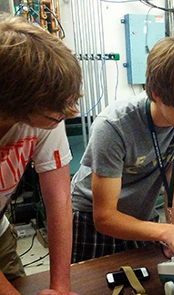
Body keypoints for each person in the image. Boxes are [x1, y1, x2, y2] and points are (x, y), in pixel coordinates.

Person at [71, 32, 174, 263]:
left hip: (142, 216)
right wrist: (165, 231)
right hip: (92, 219)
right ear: (157, 95)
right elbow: (104, 217)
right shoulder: (113, 127)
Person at [0, 13, 82, 295]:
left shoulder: (46, 112)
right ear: (16, 102)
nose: (72, 114)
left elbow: (59, 200)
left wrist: (60, 289)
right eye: (58, 112)